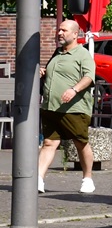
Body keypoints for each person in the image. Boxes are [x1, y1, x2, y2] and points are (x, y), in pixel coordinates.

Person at [37, 19, 97, 194]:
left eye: (64, 30)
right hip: (51, 107)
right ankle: (39, 180)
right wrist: (44, 72)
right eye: (59, 30)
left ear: (75, 34)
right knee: (49, 143)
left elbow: (89, 77)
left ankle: (87, 178)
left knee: (80, 142)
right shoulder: (57, 53)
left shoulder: (82, 54)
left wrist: (74, 89)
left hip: (74, 109)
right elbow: (55, 73)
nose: (60, 33)